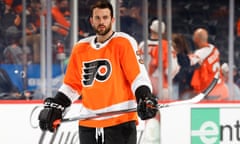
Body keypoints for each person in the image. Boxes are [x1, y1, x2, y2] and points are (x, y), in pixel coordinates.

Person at [38, 1, 158, 144]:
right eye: (98, 18)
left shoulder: (124, 42)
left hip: (120, 122)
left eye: (105, 17)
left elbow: (138, 77)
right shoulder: (80, 48)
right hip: (89, 123)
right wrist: (58, 104)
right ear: (91, 20)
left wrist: (144, 97)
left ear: (112, 20)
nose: (102, 22)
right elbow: (72, 85)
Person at [190, 28, 229, 100]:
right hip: (222, 89)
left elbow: (187, 62)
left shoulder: (200, 53)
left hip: (211, 92)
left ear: (196, 39)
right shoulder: (214, 48)